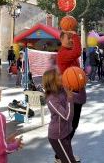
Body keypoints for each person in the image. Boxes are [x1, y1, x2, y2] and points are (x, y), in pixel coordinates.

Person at [56, 30, 85, 162]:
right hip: (70, 94)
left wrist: (83, 77)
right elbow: (78, 51)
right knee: (70, 126)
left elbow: (76, 72)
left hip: (75, 93)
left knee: (73, 125)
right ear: (61, 39)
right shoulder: (63, 53)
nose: (71, 40)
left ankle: (62, 154)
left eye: (72, 38)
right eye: (69, 38)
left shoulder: (69, 55)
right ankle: (60, 155)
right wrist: (76, 35)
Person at [43, 68, 76, 163]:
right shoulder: (51, 99)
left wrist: (80, 85)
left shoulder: (62, 90)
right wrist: (70, 98)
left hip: (66, 132)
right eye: (59, 75)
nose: (62, 77)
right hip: (58, 137)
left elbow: (80, 99)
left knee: (70, 159)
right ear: (52, 81)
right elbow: (67, 117)